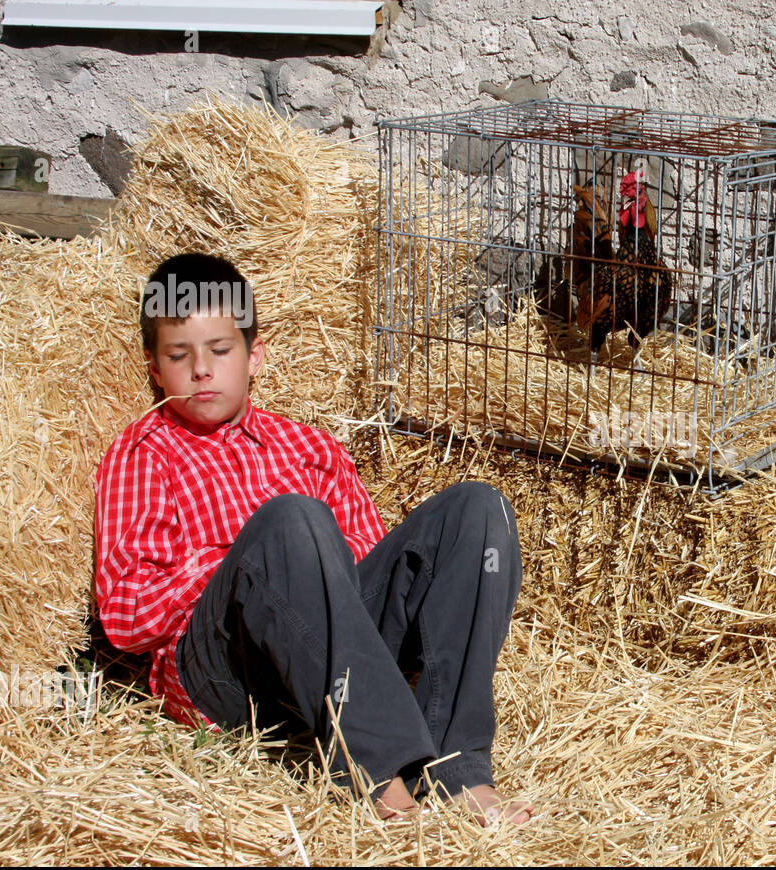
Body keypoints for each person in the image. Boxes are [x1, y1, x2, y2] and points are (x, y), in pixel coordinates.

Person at [93, 253, 529, 825]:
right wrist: (252, 557)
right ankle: (378, 775)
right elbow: (126, 617)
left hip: (331, 660)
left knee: (479, 508)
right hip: (230, 676)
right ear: (154, 367)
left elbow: (368, 572)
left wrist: (303, 560)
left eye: (220, 351)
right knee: (290, 522)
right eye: (179, 356)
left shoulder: (310, 448)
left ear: (256, 355)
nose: (201, 370)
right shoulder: (144, 455)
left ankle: (457, 767)